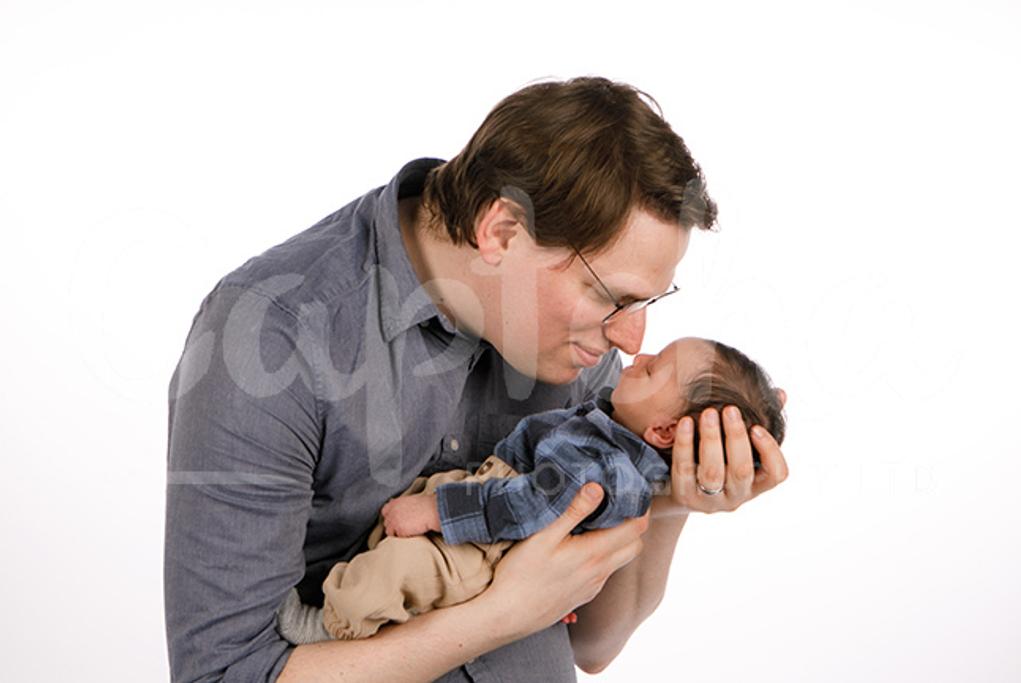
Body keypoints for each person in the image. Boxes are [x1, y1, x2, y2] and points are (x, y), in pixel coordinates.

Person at [164, 76, 790, 683]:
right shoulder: (270, 335)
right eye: (614, 297)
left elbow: (593, 644)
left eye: (648, 303)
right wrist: (499, 617)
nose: (632, 341)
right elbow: (225, 674)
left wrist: (673, 496)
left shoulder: (581, 345)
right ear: (502, 232)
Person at [273, 336, 787, 644]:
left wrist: (437, 509)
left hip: (490, 540)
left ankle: (329, 626)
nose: (637, 350)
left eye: (653, 368)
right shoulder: (613, 424)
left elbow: (527, 505)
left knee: (396, 573)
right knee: (393, 554)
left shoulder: (610, 469)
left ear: (665, 433)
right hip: (487, 501)